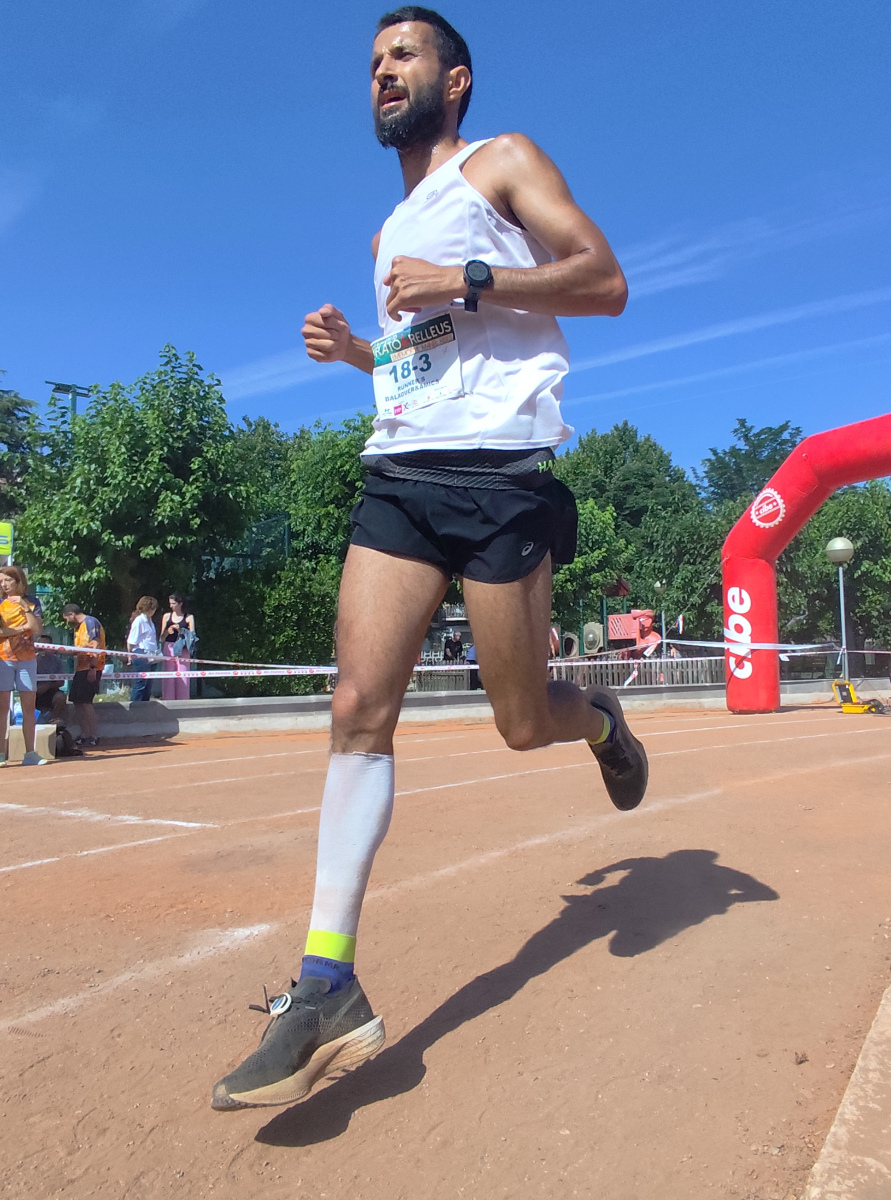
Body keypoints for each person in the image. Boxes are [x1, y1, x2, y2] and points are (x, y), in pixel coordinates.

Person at [212, 6, 647, 1112]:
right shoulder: (384, 238)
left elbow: (603, 281)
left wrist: (467, 277)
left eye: (401, 55)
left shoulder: (502, 163)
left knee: (520, 722)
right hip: (400, 475)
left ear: (454, 80)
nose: (381, 73)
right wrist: (362, 354)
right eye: (371, 63)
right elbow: (424, 365)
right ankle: (326, 986)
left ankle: (599, 721)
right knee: (357, 705)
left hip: (503, 480)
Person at [0, 564, 46, 766]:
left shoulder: (32, 602)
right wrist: (21, 629)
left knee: (29, 706)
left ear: (18, 581)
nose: (4, 584)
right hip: (3, 659)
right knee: (2, 708)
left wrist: (25, 607)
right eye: (1, 581)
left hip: (27, 660)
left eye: (8, 580)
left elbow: (36, 628)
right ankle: (1, 753)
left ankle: (30, 752)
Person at [61, 603, 106, 746]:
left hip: (91, 667)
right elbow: (80, 649)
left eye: (66, 619)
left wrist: (93, 667)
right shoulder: (78, 628)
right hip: (80, 668)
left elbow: (95, 645)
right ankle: (84, 734)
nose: (67, 622)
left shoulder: (90, 622)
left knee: (86, 702)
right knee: (77, 701)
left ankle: (94, 735)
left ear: (71, 614)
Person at [159, 593, 196, 701]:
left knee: (183, 676)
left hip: (183, 648)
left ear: (180, 603)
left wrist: (181, 630)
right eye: (170, 603)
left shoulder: (189, 617)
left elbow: (192, 636)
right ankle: (168, 701)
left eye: (173, 603)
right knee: (169, 677)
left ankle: (183, 702)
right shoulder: (167, 616)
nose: (171, 606)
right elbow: (161, 638)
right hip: (169, 647)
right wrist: (168, 631)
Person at [126, 596, 160, 702]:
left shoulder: (150, 621)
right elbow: (131, 641)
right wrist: (129, 655)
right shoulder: (139, 621)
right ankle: (135, 706)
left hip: (152, 654)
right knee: (141, 682)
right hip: (141, 653)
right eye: (151, 609)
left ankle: (145, 706)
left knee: (148, 684)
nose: (153, 611)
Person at [35, 646, 68, 725]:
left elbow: (61, 682)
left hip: (51, 690)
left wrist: (48, 685)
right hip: (33, 690)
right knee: (27, 696)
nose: (41, 650)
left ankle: (53, 721)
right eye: (39, 647)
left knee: (61, 697)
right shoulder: (31, 660)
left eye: (44, 647)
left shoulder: (57, 660)